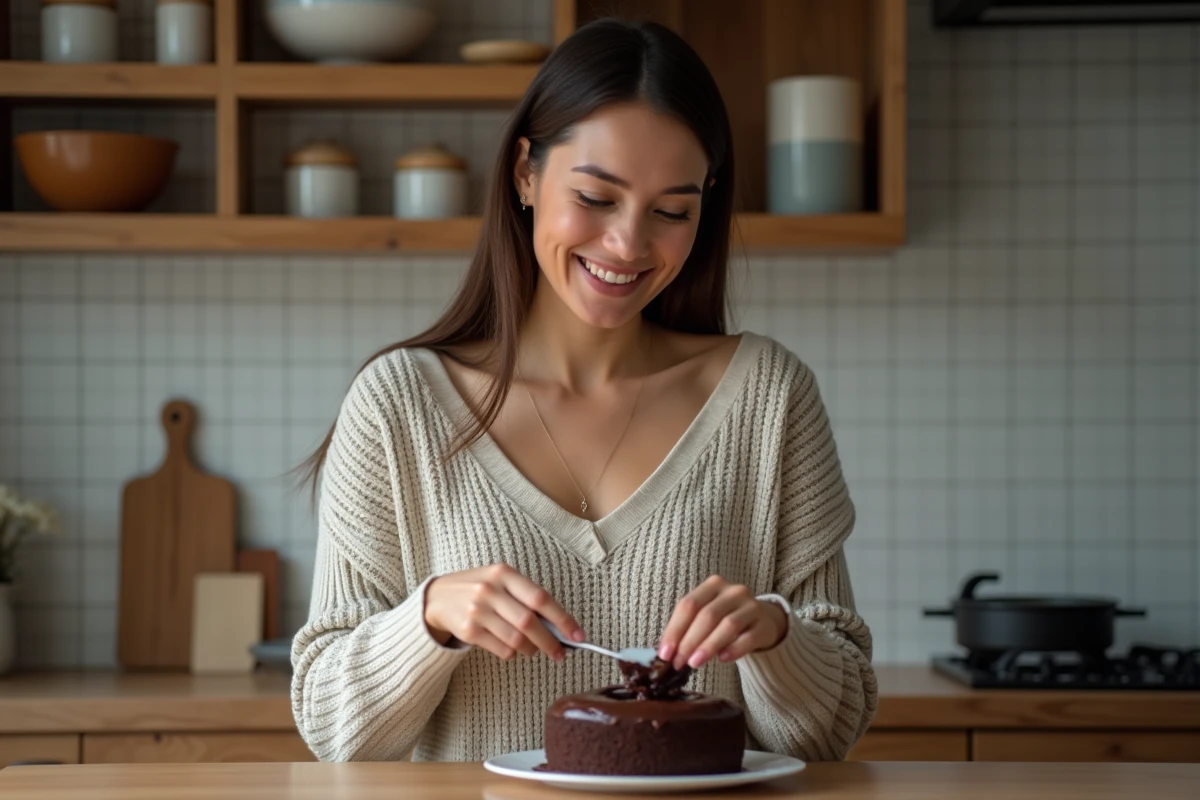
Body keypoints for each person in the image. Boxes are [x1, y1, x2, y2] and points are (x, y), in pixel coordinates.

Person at [289, 18, 877, 765]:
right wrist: (428, 620)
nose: (629, 244)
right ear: (525, 174)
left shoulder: (769, 397)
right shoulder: (396, 404)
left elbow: (833, 731)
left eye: (671, 211)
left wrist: (777, 639)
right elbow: (335, 735)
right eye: (597, 197)